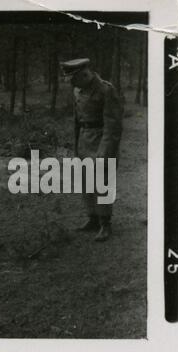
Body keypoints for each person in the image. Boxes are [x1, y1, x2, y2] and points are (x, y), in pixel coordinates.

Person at [60, 58, 123, 242]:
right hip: (85, 140)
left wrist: (104, 152)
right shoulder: (78, 89)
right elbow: (77, 121)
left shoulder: (106, 89)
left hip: (102, 139)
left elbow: (114, 125)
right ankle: (92, 218)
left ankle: (105, 224)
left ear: (84, 74)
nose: (73, 84)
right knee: (86, 182)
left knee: (102, 182)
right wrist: (76, 144)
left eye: (74, 79)